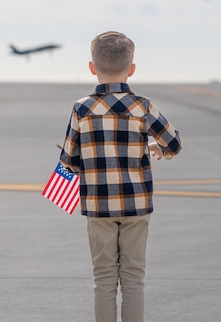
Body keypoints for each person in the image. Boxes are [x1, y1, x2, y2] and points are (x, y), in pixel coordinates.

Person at [59, 31, 182, 322]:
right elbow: (173, 144)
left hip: (99, 207)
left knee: (103, 279)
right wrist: (155, 147)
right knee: (133, 278)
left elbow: (69, 161)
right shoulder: (143, 106)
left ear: (92, 67)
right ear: (131, 69)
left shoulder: (82, 109)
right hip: (136, 203)